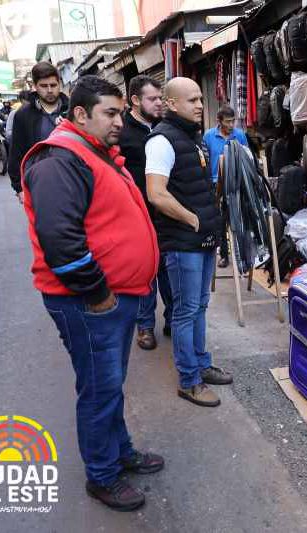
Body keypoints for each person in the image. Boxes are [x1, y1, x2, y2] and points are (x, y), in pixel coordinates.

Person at [21, 75, 163, 511]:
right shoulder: (59, 160)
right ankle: (102, 476)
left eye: (121, 112)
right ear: (80, 114)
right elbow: (59, 239)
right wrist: (98, 292)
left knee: (110, 385)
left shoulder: (92, 152)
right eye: (110, 113)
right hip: (88, 302)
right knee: (100, 390)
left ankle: (119, 452)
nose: (120, 120)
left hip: (110, 299)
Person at [146, 77, 232, 408]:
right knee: (184, 311)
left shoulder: (191, 137)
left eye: (200, 98)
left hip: (202, 239)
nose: (200, 104)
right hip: (183, 242)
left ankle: (201, 363)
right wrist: (190, 218)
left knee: (200, 307)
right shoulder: (161, 141)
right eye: (193, 99)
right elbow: (156, 193)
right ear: (170, 104)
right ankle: (189, 380)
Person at [118, 75, 172, 350]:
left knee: (170, 272)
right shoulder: (122, 133)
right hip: (137, 216)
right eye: (152, 99)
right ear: (135, 101)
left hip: (166, 213)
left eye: (160, 98)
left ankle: (173, 319)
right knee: (147, 273)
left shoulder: (164, 129)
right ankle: (145, 327)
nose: (158, 103)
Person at [9, 62, 69, 203]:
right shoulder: (23, 115)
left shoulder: (73, 111)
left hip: (71, 180)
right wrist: (19, 188)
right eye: (43, 86)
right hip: (39, 184)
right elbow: (16, 151)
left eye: (53, 85)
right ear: (35, 87)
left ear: (59, 84)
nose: (49, 90)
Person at [202, 105, 248, 269]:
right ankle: (224, 255)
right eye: (228, 122)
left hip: (236, 182)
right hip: (215, 184)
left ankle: (243, 255)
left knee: (239, 219)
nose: (231, 125)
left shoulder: (240, 135)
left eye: (233, 121)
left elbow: (247, 158)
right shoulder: (208, 136)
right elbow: (204, 161)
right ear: (219, 121)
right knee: (220, 222)